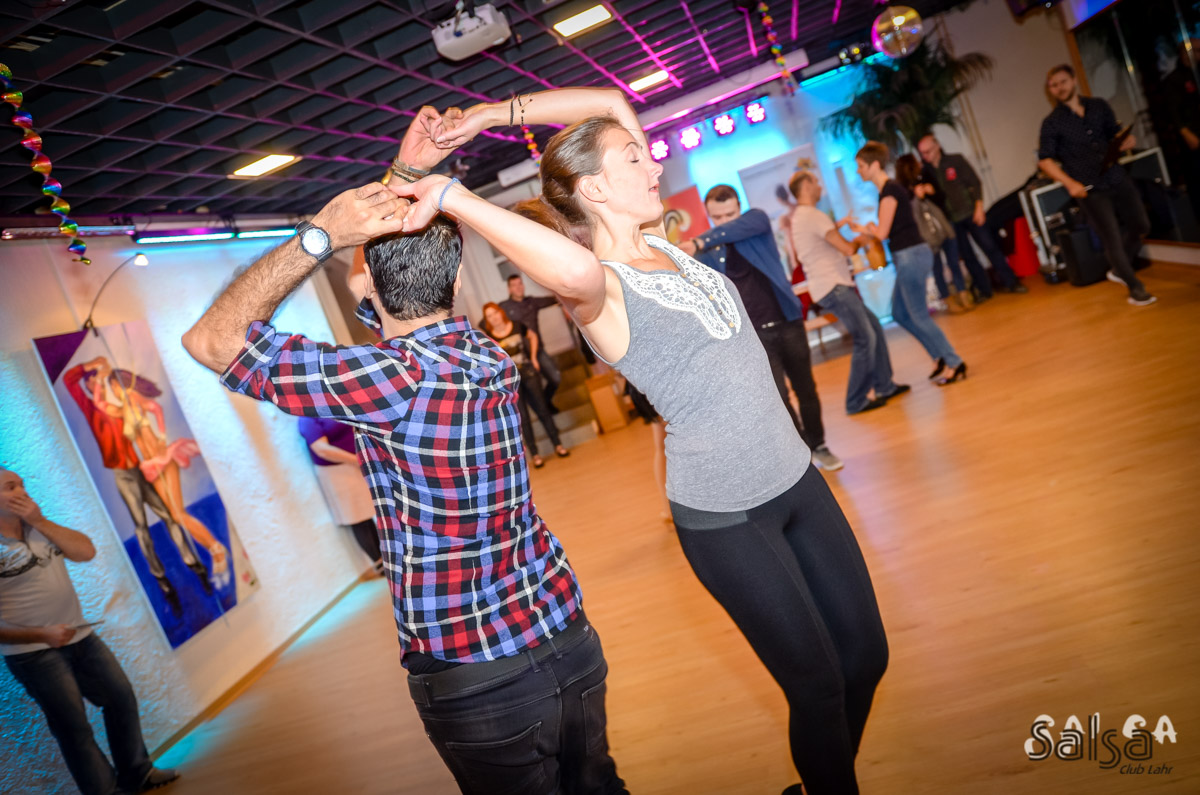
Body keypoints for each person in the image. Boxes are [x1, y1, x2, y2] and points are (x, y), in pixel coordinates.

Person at [403, 87, 889, 795]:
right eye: (635, 158)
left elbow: (607, 100)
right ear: (596, 188)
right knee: (817, 687)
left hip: (797, 479)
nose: (654, 164)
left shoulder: (661, 242)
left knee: (866, 658)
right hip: (727, 517)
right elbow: (571, 266)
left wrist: (485, 116)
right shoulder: (600, 290)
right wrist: (449, 194)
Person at [182, 108, 624, 795]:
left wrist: (321, 234)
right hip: (566, 634)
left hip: (479, 675)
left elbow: (212, 340)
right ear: (457, 282)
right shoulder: (484, 355)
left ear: (368, 289)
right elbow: (394, 294)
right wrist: (406, 175)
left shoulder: (385, 381)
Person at [1, 466, 180, 795]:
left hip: (81, 636)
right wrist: (42, 635)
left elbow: (86, 551)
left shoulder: (39, 526)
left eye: (22, 485)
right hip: (34, 654)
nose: (21, 492)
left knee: (120, 697)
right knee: (74, 728)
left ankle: (137, 774)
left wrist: (40, 521)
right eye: (10, 487)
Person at [677, 184, 844, 472]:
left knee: (806, 389)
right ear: (709, 215)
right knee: (779, 398)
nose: (724, 222)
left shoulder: (755, 224)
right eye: (717, 217)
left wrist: (700, 241)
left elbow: (746, 224)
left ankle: (819, 445)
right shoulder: (707, 252)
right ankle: (802, 454)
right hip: (755, 337)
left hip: (788, 323)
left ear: (739, 208)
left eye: (730, 214)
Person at [62, 357, 211, 613]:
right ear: (89, 385)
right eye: (94, 382)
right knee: (142, 527)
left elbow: (144, 411)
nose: (100, 383)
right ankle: (163, 582)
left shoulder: (118, 408)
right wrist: (92, 367)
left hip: (139, 470)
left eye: (100, 381)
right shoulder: (92, 408)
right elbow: (69, 379)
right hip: (123, 475)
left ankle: (194, 565)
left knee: (169, 516)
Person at [787, 168, 910, 415]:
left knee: (873, 328)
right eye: (816, 181)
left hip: (830, 286)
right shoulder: (812, 215)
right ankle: (855, 400)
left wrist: (840, 227)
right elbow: (847, 249)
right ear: (806, 186)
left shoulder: (801, 216)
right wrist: (863, 239)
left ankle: (884, 386)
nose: (820, 186)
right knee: (865, 337)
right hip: (833, 286)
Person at [1037, 64, 1156, 306]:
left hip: (1116, 176)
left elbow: (1116, 133)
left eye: (1062, 82)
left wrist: (1127, 140)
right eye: (1054, 85)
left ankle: (1119, 268)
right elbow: (1045, 160)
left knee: (1141, 225)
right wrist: (1070, 184)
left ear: (1073, 80)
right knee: (1111, 238)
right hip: (1089, 190)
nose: (1059, 88)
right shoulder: (1052, 123)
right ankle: (1135, 288)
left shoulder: (1098, 106)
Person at [851, 141, 969, 385]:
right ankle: (939, 356)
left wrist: (864, 229)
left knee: (918, 315)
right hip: (908, 255)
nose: (858, 171)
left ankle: (954, 362)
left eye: (861, 166)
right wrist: (870, 229)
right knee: (900, 313)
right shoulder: (888, 190)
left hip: (911, 255)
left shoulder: (890, 190)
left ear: (874, 165)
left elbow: (882, 233)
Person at [916, 132, 1026, 299]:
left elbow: (974, 182)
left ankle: (1011, 282)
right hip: (951, 221)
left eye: (928, 151)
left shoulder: (955, 160)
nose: (925, 156)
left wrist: (979, 207)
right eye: (922, 153)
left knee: (990, 247)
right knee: (967, 257)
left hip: (971, 212)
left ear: (937, 146)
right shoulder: (926, 172)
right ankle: (985, 290)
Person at [480, 301, 570, 467]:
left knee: (542, 409)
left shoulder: (516, 325)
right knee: (523, 418)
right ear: (487, 320)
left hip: (529, 373)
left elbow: (533, 336)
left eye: (495, 313)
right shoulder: (489, 338)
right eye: (489, 316)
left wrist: (534, 357)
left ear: (501, 312)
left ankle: (558, 445)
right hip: (510, 380)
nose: (493, 318)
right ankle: (535, 455)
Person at [297, 416, 383, 574]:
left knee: (369, 512)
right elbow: (321, 449)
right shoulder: (307, 419)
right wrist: (356, 460)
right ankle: (379, 564)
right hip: (337, 472)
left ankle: (387, 558)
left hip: (358, 463)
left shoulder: (330, 406)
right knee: (357, 518)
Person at [901, 153, 974, 312]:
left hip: (944, 226)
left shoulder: (927, 175)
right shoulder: (903, 190)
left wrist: (931, 192)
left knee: (954, 262)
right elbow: (911, 215)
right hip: (926, 235)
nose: (919, 163)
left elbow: (942, 198)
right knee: (937, 268)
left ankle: (963, 295)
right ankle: (948, 300)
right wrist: (916, 197)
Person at [499, 274, 562, 408]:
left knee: (556, 378)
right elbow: (485, 323)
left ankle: (546, 401)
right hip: (519, 358)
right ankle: (544, 407)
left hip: (537, 350)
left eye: (520, 283)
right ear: (509, 289)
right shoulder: (503, 307)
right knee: (530, 390)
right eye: (514, 285)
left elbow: (556, 299)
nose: (518, 287)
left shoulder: (532, 302)